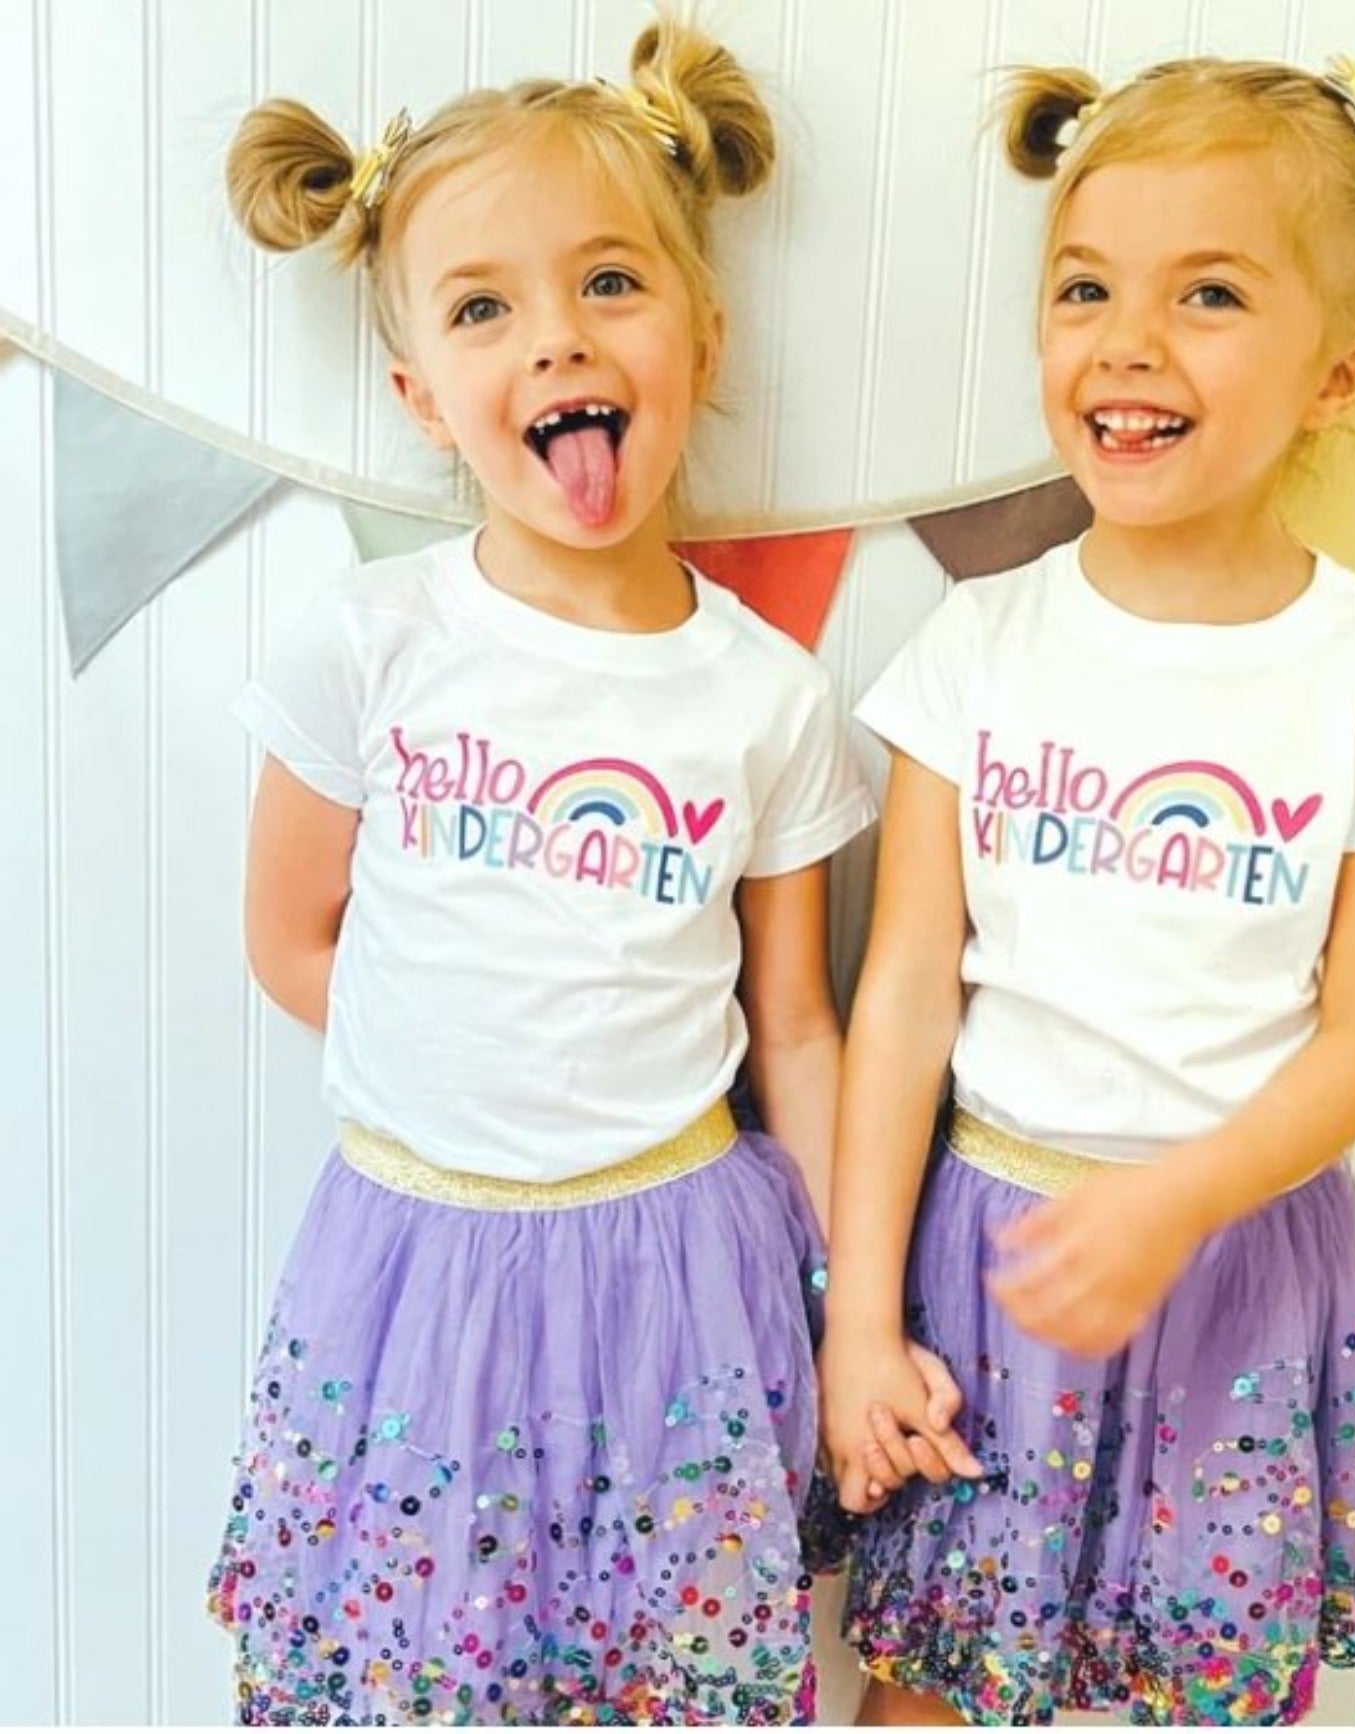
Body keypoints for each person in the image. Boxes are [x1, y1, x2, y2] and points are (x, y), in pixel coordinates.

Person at [820, 43, 1355, 1726]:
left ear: (1342, 371)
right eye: (1085, 288)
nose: (1128, 341)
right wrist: (858, 1316)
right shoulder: (978, 640)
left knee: (1194, 1686)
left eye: (1206, 293)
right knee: (932, 1680)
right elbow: (902, 997)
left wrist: (1170, 1200)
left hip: (1235, 1262)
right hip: (989, 1259)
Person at [207, 19, 875, 1724]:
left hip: (678, 1264)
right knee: (421, 1665)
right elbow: (290, 935)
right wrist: (469, 1077)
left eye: (608, 283)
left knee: (653, 1669)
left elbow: (795, 1024)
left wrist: (854, 1302)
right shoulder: (374, 640)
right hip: (416, 1259)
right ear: (421, 394)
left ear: (702, 335)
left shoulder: (764, 694)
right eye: (483, 307)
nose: (557, 336)